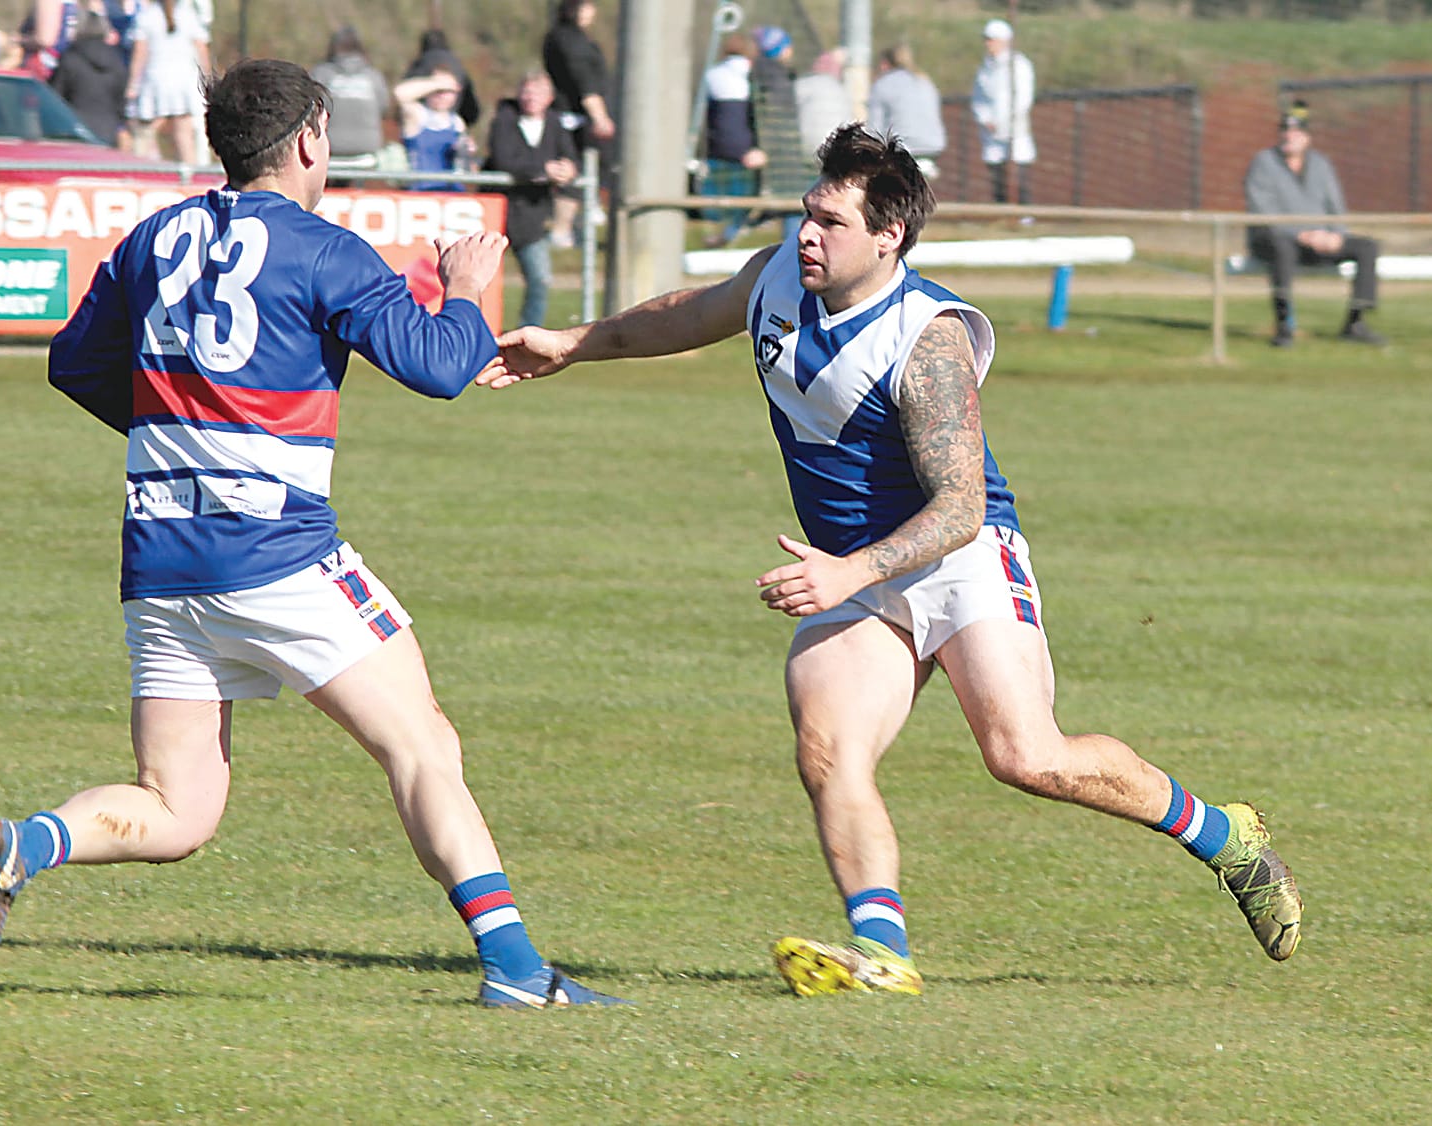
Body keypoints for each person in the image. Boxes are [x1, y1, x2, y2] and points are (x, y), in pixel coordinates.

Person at [477, 123, 1303, 997]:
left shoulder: (927, 340)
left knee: (1028, 756)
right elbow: (690, 311)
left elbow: (961, 506)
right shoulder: (775, 281)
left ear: (888, 236)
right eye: (806, 214)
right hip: (858, 571)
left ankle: (1223, 835)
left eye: (830, 222)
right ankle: (884, 956)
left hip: (959, 558)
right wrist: (575, 343)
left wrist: (850, 571)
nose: (807, 235)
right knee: (829, 746)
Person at [0, 57, 627, 1011]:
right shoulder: (323, 248)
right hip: (275, 552)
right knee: (423, 746)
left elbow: (74, 363)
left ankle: (26, 844)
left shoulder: (152, 237)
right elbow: (437, 365)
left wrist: (179, 435)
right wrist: (464, 286)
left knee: (178, 810)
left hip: (160, 562)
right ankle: (515, 972)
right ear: (309, 137)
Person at [1243, 101, 1385, 347]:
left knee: (1367, 247)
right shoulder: (1262, 163)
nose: (1289, 136)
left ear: (1307, 137)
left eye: (1296, 131)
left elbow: (1335, 208)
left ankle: (1355, 323)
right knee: (1281, 246)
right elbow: (1262, 212)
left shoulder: (1322, 164)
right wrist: (1302, 234)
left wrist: (1336, 235)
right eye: (1285, 130)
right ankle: (1284, 326)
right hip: (1275, 241)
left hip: (1318, 242)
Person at [485, 70, 578, 328]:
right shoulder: (504, 121)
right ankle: (478, 330)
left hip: (533, 216)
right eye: (526, 91)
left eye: (537, 92)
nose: (530, 97)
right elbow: (504, 160)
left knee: (540, 278)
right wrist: (542, 169)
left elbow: (569, 155)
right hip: (498, 213)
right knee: (484, 279)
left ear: (549, 98)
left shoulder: (555, 124)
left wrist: (568, 169)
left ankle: (528, 332)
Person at [541, 0, 613, 247]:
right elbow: (584, 80)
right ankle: (562, 231)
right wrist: (599, 115)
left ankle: (580, 224)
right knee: (574, 171)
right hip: (575, 117)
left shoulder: (570, 38)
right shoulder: (569, 40)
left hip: (579, 115)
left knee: (589, 170)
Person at [699, 32, 763, 248]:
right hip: (746, 149)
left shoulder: (712, 74)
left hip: (717, 146)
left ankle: (717, 235)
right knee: (743, 200)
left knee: (718, 199)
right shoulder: (752, 75)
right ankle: (732, 234)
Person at [125, 0, 209, 163]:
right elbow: (202, 50)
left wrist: (133, 84)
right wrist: (206, 79)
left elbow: (140, 53)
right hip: (184, 79)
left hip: (156, 79)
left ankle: (147, 172)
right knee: (183, 133)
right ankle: (189, 175)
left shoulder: (146, 16)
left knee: (147, 131)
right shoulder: (189, 15)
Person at [750, 26, 809, 244]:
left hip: (778, 152)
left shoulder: (767, 74)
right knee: (790, 205)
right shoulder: (777, 78)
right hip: (782, 153)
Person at [970, 18, 1035, 206]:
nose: (988, 44)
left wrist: (1004, 121)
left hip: (1014, 130)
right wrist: (985, 119)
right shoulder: (985, 68)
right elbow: (979, 97)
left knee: (1017, 174)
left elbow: (1023, 99)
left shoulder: (1019, 65)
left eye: (992, 39)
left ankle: (1023, 215)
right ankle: (1001, 210)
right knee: (996, 173)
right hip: (990, 132)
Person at [310, 26, 391, 160]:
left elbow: (311, 109)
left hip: (331, 146)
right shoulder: (374, 76)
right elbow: (384, 108)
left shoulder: (321, 74)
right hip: (369, 146)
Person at [50, 8, 129, 145]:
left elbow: (55, 97)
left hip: (74, 129)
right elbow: (120, 101)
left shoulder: (70, 58)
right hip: (108, 130)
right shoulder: (116, 61)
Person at [868, 43, 944, 181]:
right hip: (933, 145)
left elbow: (875, 128)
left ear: (885, 64)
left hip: (903, 147)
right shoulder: (924, 81)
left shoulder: (882, 84)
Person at [393, 66, 474, 192]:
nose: (442, 96)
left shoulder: (457, 122)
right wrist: (436, 83)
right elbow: (400, 94)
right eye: (438, 91)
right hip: (421, 191)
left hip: (451, 192)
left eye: (448, 91)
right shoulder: (418, 115)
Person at [401, 27, 480, 128]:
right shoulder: (458, 67)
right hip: (451, 123)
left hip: (421, 125)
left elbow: (404, 94)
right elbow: (472, 110)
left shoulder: (420, 65)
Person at [794, 48, 851, 162]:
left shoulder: (806, 84)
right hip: (837, 146)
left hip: (809, 145)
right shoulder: (841, 89)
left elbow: (789, 101)